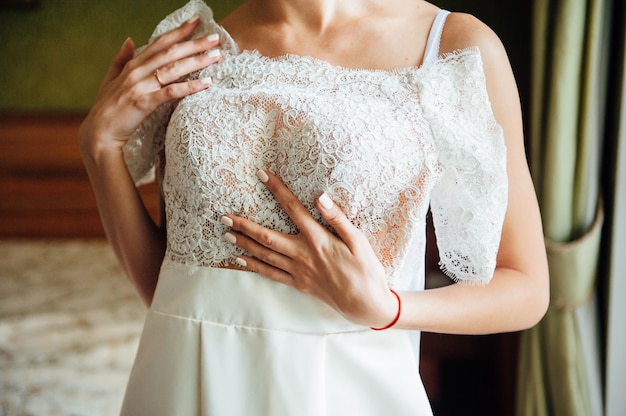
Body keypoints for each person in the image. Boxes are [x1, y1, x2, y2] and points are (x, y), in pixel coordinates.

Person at [78, 0, 550, 414]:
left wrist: (389, 308)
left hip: (346, 388)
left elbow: (526, 287)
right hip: (183, 378)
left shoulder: (454, 46)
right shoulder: (194, 46)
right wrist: (100, 149)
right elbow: (170, 285)